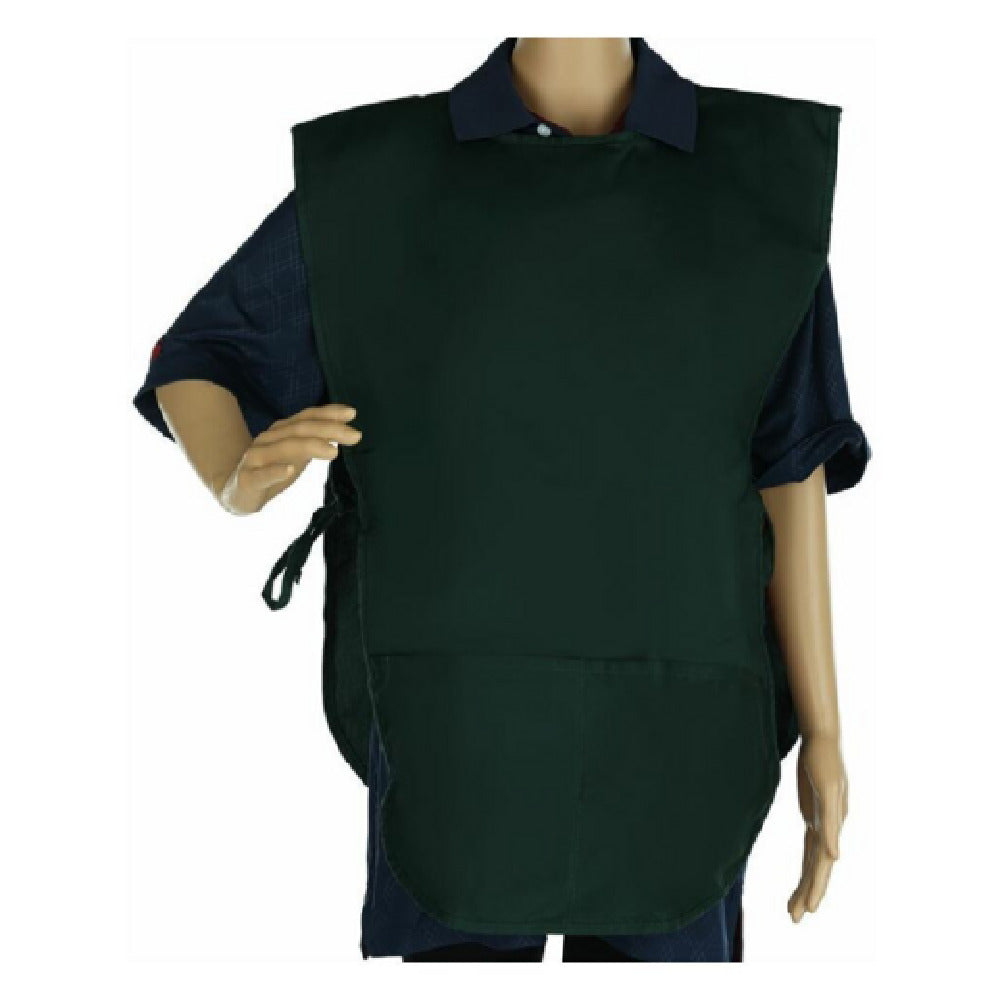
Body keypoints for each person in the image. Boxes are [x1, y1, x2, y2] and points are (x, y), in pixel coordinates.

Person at [133, 37, 870, 961]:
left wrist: (827, 733)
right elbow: (201, 357)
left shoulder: (755, 178)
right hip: (454, 719)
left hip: (683, 715)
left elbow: (791, 458)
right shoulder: (381, 180)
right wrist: (235, 476)